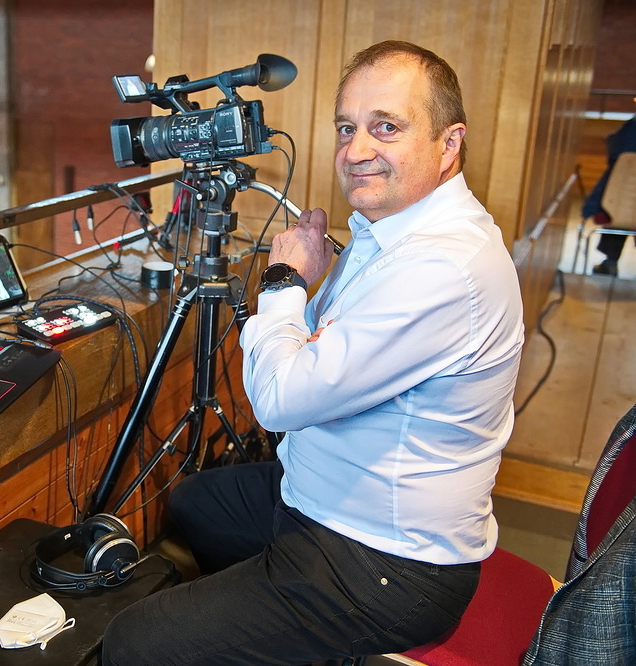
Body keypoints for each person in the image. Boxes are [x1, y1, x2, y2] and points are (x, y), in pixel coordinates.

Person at [102, 40, 525, 665]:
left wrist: (283, 281)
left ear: (448, 143)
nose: (355, 151)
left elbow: (279, 400)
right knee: (195, 503)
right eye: (347, 128)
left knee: (133, 642)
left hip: (385, 560)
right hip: (320, 491)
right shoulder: (393, 231)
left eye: (387, 127)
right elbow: (315, 353)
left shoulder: (443, 265)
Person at [581, 114, 636, 276]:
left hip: (616, 207)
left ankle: (610, 262)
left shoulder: (632, 127)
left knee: (617, 203)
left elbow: (616, 148)